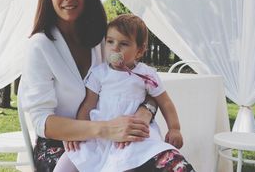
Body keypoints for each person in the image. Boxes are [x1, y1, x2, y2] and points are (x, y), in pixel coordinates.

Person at [19, 0, 156, 171]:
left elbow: (146, 85)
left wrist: (144, 112)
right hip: (60, 145)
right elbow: (42, 122)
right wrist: (104, 129)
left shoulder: (104, 41)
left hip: (108, 140)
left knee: (170, 163)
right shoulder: (39, 46)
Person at [54, 14, 195, 172]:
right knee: (70, 161)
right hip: (101, 133)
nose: (114, 48)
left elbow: (165, 102)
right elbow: (88, 105)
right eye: (110, 41)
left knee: (128, 162)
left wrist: (174, 128)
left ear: (139, 51)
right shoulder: (99, 73)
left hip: (133, 136)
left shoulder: (146, 75)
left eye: (124, 44)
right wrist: (79, 130)